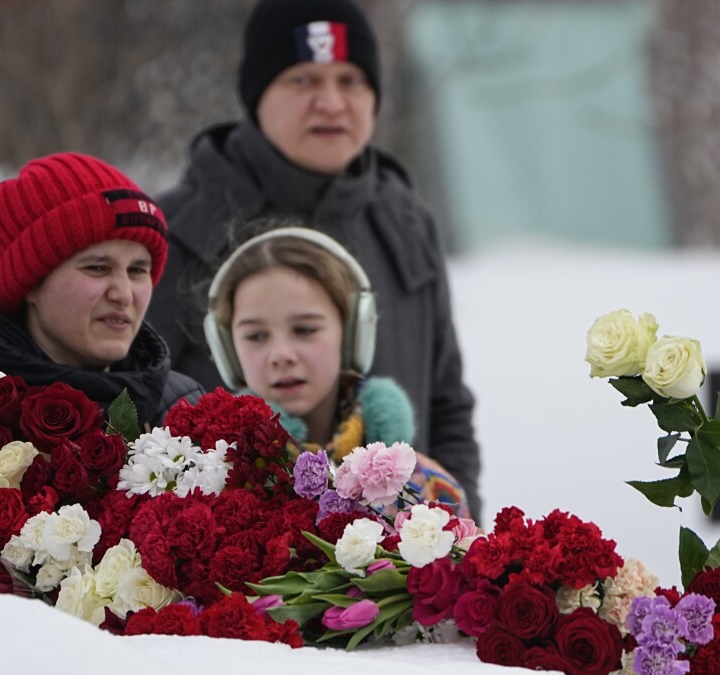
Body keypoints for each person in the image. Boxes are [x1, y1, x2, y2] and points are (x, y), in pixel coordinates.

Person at [147, 0, 481, 518]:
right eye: (303, 80)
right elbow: (136, 415)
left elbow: (447, 406)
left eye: (351, 80)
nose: (331, 102)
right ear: (256, 96)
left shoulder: (407, 221)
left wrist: (457, 547)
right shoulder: (177, 230)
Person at [206, 223, 469, 515]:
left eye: (304, 329)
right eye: (256, 336)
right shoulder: (206, 486)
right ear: (227, 350)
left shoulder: (432, 492)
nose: (281, 355)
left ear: (353, 335)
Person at [0, 152, 200, 424]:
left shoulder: (183, 409)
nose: (124, 294)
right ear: (31, 284)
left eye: (138, 270)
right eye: (97, 268)